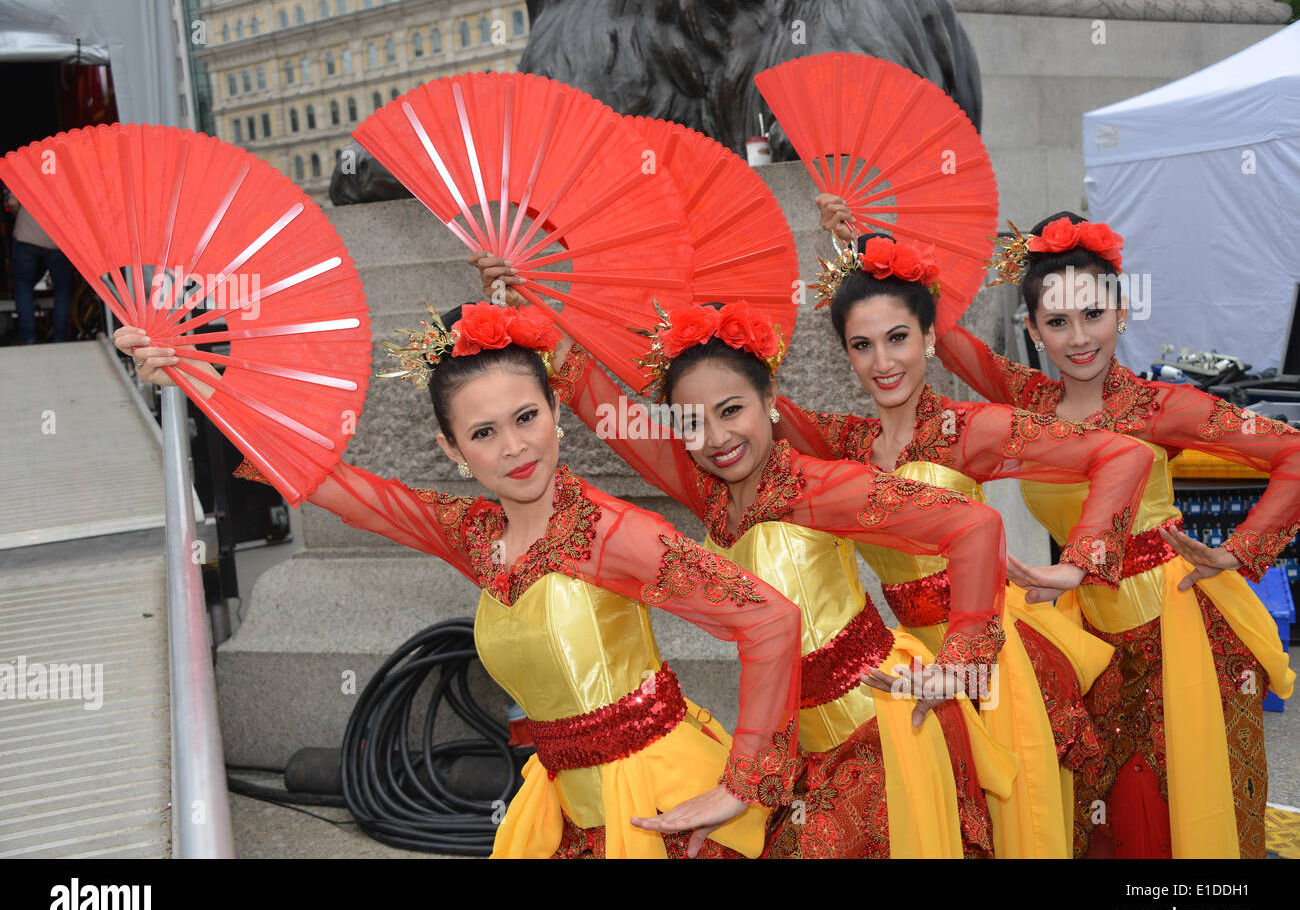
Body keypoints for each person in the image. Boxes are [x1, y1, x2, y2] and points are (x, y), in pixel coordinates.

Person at [115, 303, 809, 860]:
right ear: (450, 449)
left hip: (660, 808)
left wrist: (744, 784)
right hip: (569, 806)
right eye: (483, 432)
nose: (513, 447)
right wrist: (198, 381)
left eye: (527, 417)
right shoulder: (477, 536)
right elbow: (335, 484)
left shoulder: (611, 531)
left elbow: (770, 620)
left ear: (556, 414)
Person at [474, 272, 1018, 856]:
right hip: (796, 753)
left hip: (881, 735)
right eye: (692, 424)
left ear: (768, 399)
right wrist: (532, 316)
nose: (716, 437)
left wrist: (960, 664)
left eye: (732, 410)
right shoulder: (709, 491)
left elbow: (975, 525)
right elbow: (613, 421)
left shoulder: (817, 487)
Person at [819, 201, 1299, 858]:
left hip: (1179, 625)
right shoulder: (1026, 401)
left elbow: (1291, 452)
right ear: (1035, 329)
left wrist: (1239, 551)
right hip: (1084, 630)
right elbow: (926, 323)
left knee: (1183, 810)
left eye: (1094, 314)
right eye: (1058, 320)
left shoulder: (1162, 407)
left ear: (1123, 312)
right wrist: (867, 247)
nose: (1079, 336)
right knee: (1102, 818)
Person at [765, 230, 1156, 858]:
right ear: (845, 354)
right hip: (911, 665)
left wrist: (1081, 562)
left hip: (992, 663)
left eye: (898, 338)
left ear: (928, 338)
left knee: (1014, 832)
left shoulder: (968, 430)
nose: (883, 361)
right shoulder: (845, 443)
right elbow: (740, 409)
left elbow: (1124, 455)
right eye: (861, 346)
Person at [5, 187, 74, 344]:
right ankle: (60, 337)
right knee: (62, 289)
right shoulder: (67, 172)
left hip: (27, 236)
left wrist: (21, 217)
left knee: (23, 286)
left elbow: (12, 201)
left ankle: (27, 336)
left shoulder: (31, 165)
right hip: (58, 240)